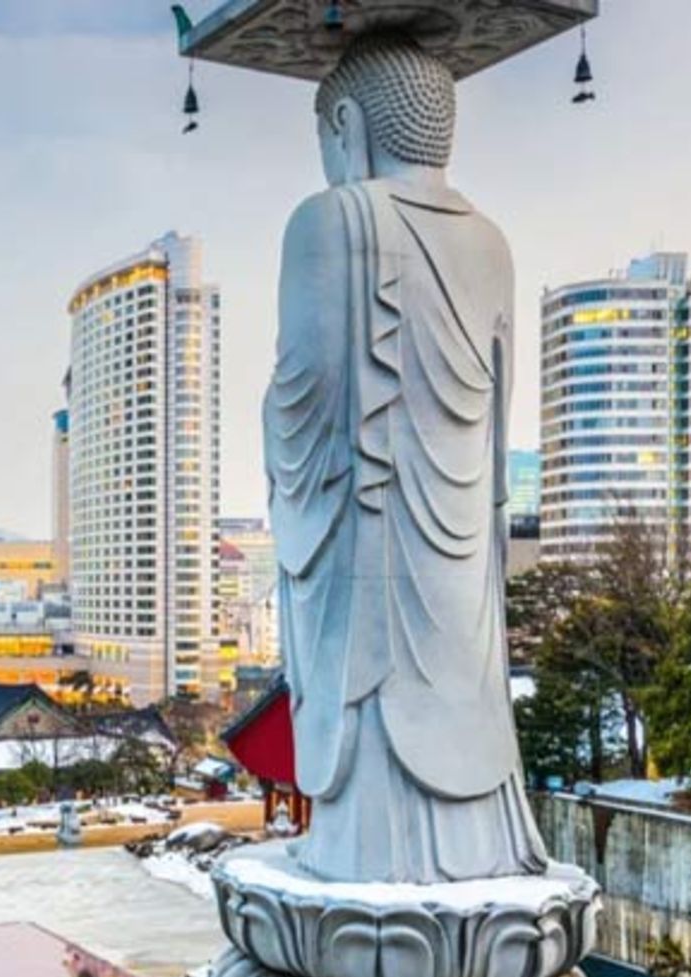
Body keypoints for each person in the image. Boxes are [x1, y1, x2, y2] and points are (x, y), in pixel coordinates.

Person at [267, 33, 546, 884]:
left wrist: (273, 422)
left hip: (368, 549)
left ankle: (364, 853)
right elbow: (496, 435)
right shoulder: (492, 242)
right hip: (463, 559)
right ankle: (477, 853)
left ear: (345, 124)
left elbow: (303, 399)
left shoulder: (331, 220)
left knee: (369, 711)